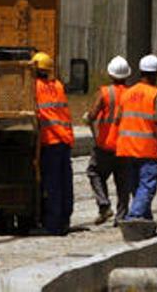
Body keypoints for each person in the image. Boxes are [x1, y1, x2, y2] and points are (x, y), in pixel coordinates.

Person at [116, 54, 157, 230]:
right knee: (147, 185)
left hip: (127, 148)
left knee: (136, 186)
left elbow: (118, 120)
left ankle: (146, 220)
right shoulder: (156, 95)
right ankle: (134, 217)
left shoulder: (127, 93)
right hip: (147, 150)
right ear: (155, 74)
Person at [83, 55, 131, 225]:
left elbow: (93, 114)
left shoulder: (105, 92)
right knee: (123, 182)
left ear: (111, 74)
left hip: (105, 144)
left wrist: (87, 118)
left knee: (94, 172)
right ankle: (121, 216)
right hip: (125, 146)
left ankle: (104, 206)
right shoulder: (131, 94)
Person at [31, 51, 74, 235]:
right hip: (64, 139)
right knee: (64, 183)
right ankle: (64, 220)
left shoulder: (34, 87)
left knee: (52, 185)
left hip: (49, 141)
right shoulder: (57, 86)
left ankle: (52, 225)